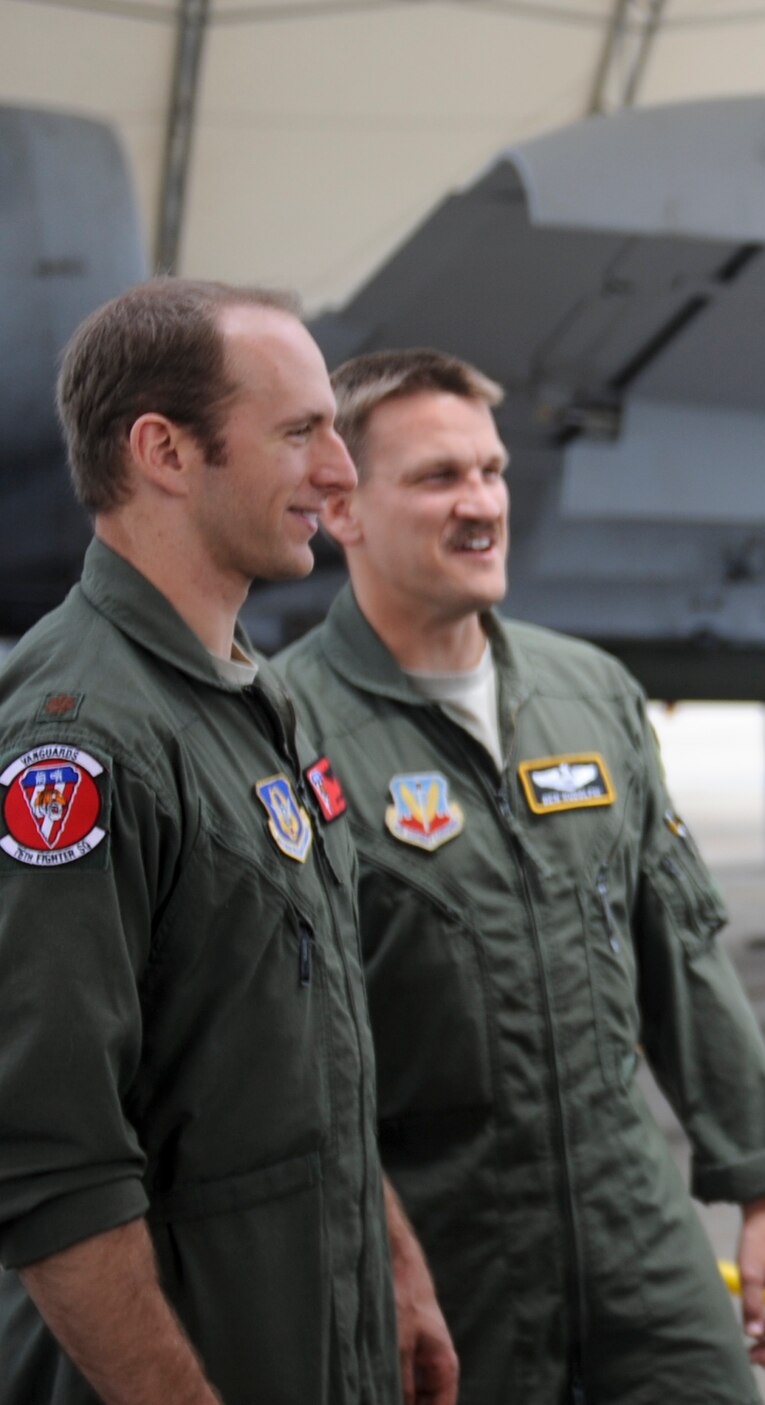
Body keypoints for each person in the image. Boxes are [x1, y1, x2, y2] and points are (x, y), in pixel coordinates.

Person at [274, 348, 765, 1404]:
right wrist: (367, 1262)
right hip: (441, 1259)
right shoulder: (284, 733)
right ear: (344, 507)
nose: (480, 504)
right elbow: (284, 1062)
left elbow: (681, 956)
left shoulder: (589, 693)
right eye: (438, 478)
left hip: (637, 1243)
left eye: (491, 471)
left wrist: (758, 1193)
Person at [0, 281, 455, 1404]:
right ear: (163, 449)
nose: (340, 473)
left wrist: (395, 1274)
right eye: (300, 432)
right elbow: (48, 1159)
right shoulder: (79, 740)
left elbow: (308, 1042)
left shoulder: (254, 699)